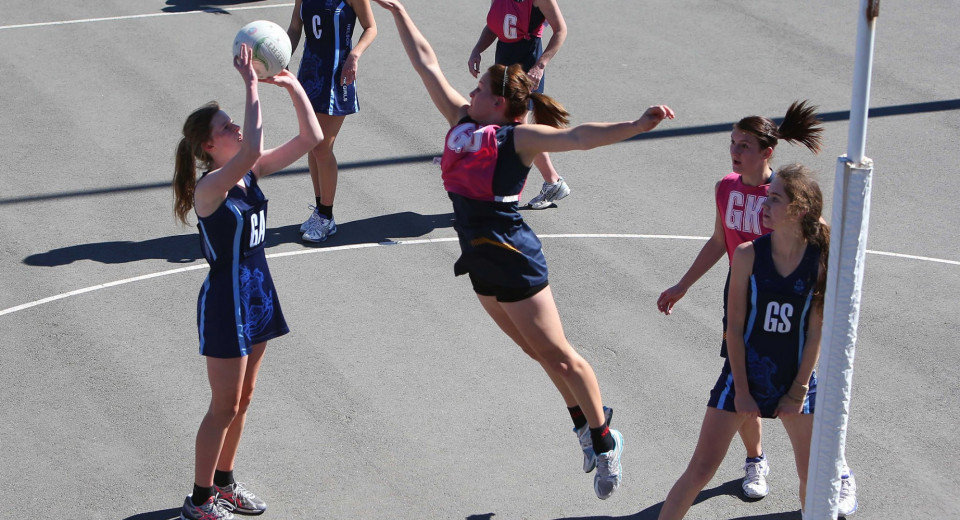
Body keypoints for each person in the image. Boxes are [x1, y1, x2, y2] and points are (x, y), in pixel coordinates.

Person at [372, 0, 673, 499]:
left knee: (561, 356)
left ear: (497, 103)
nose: (469, 92)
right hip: (479, 258)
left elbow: (579, 137)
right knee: (539, 353)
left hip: (513, 256)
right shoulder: (462, 122)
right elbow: (425, 63)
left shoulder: (517, 138)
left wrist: (637, 125)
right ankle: (583, 425)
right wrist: (398, 10)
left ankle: (606, 439)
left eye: (478, 90)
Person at [655, 101, 852, 503]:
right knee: (739, 375)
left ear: (767, 152)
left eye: (744, 145)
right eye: (733, 143)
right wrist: (683, 284)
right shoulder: (726, 187)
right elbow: (718, 241)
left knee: (802, 395)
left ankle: (837, 469)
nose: (735, 150)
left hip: (787, 296)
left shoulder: (783, 195)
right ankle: (755, 458)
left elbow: (821, 236)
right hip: (744, 292)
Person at [172, 45, 323, 519]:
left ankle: (224, 482)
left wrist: (292, 85)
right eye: (225, 127)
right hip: (226, 302)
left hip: (257, 293)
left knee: (244, 400)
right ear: (208, 147)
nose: (235, 127)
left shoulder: (249, 174)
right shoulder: (210, 188)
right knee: (224, 405)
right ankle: (199, 500)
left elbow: (312, 137)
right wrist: (250, 84)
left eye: (233, 122)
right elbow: (254, 147)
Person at [286, 0, 378, 242]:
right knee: (311, 143)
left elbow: (371, 28)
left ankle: (326, 216)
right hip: (310, 74)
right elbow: (295, 27)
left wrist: (355, 55)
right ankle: (320, 211)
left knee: (322, 146)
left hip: (338, 76)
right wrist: (281, 56)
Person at [467, 0, 570, 210]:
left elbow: (560, 30)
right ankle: (551, 182)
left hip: (527, 64)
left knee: (516, 129)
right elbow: (494, 26)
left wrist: (540, 65)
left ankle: (506, 188)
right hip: (504, 61)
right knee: (514, 128)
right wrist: (477, 50)